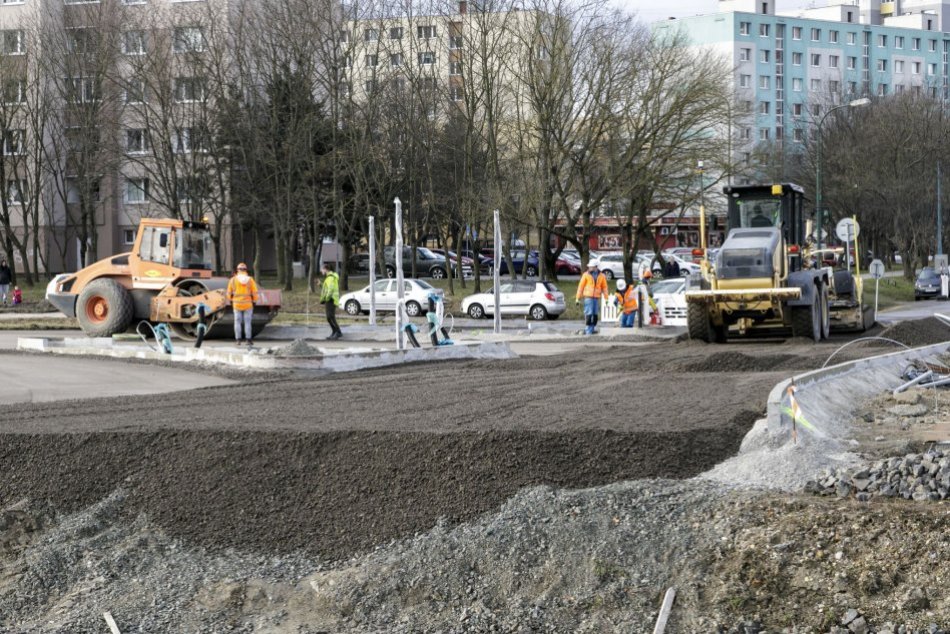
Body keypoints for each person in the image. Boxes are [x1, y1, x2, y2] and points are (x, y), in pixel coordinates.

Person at [226, 262, 259, 346]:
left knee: (237, 322)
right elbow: (255, 292)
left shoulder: (232, 280)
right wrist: (255, 301)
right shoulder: (250, 280)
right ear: (246, 270)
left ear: (237, 270)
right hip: (248, 305)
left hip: (236, 304)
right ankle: (248, 340)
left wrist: (230, 300)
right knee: (247, 322)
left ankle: (238, 340)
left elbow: (229, 292)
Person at [575, 260, 608, 335]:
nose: (589, 268)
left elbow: (605, 288)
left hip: (596, 298)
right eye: (589, 266)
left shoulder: (602, 276)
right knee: (589, 314)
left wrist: (606, 298)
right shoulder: (586, 275)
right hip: (588, 297)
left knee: (595, 315)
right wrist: (578, 298)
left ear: (596, 267)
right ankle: (588, 331)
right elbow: (581, 287)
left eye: (591, 267)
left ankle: (592, 329)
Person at [320, 262, 342, 340]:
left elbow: (330, 289)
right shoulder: (329, 278)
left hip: (331, 300)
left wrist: (326, 298)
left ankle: (338, 332)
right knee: (329, 317)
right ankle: (334, 332)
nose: (321, 271)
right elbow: (326, 288)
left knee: (330, 317)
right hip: (330, 299)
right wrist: (320, 284)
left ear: (325, 269)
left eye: (322, 269)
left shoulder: (331, 278)